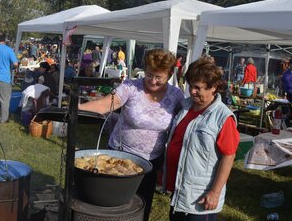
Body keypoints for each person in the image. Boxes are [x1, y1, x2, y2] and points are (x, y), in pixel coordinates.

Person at [79, 49, 184, 221]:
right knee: (112, 205)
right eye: (149, 74)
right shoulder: (131, 87)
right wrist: (76, 109)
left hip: (151, 162)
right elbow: (103, 105)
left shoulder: (176, 95)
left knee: (141, 206)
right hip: (119, 156)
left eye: (159, 77)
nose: (152, 80)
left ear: (170, 74)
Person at [164, 57, 239, 221]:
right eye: (190, 86)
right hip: (180, 193)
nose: (192, 91)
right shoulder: (185, 107)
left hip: (200, 198)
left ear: (213, 88)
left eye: (198, 88)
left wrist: (215, 192)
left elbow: (229, 156)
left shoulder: (223, 117)